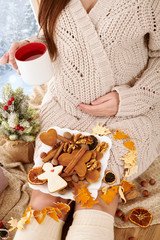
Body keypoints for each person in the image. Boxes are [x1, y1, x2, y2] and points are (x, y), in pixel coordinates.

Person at [0, 0, 160, 239]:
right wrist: (32, 45)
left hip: (130, 110)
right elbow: (56, 35)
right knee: (44, 197)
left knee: (98, 197)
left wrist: (128, 99)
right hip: (64, 108)